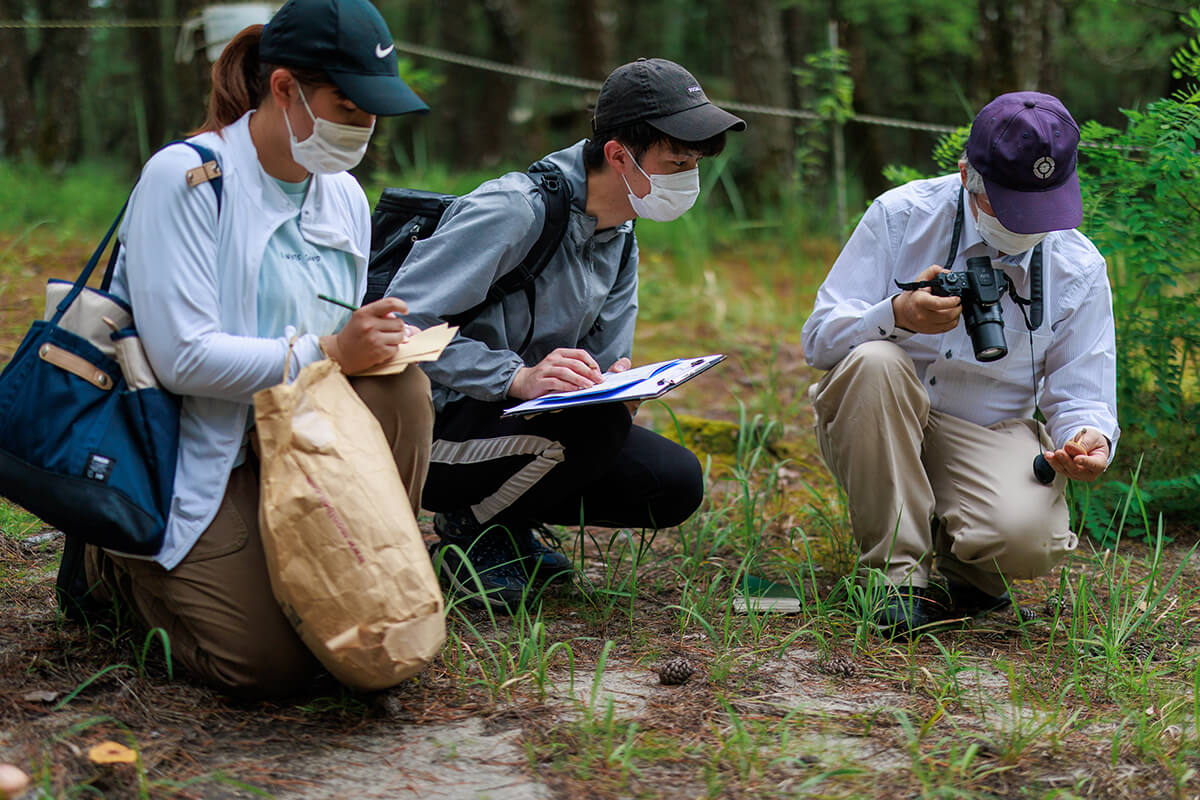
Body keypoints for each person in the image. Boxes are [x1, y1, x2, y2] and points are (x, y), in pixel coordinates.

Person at [81, 0, 433, 696]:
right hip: (186, 452)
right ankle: (109, 568)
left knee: (402, 389)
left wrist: (379, 342)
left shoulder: (346, 199)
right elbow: (182, 359)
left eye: (373, 110)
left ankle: (370, 561)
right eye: (348, 104)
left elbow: (341, 343)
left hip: (295, 438)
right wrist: (331, 349)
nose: (362, 125)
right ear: (284, 89)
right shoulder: (186, 181)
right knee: (268, 667)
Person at [385, 58, 746, 610]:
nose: (688, 177)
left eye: (694, 163)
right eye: (677, 161)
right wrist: (517, 377)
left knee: (672, 481)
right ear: (619, 155)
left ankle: (509, 521)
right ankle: (472, 534)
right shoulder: (514, 210)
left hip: (520, 424)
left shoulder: (621, 235)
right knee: (592, 427)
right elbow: (398, 331)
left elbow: (602, 359)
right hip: (429, 428)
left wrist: (617, 384)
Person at [801, 91, 1119, 637]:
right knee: (876, 362)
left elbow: (1082, 390)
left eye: (1040, 207)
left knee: (1031, 542)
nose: (1025, 226)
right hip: (882, 417)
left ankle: (963, 565)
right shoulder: (901, 216)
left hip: (984, 432)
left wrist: (1089, 438)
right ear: (967, 172)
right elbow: (819, 342)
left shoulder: (1078, 265)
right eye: (1009, 203)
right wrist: (896, 314)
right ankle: (894, 578)